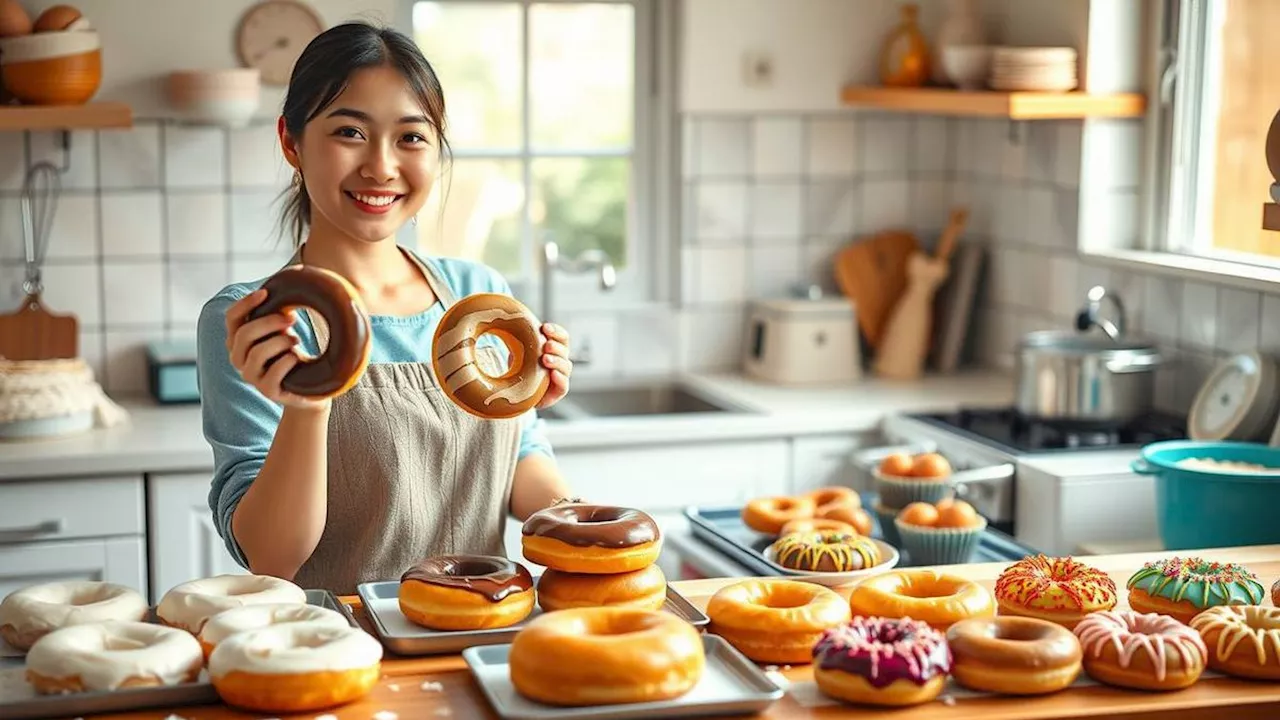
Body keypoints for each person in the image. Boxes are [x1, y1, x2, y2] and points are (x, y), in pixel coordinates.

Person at [195, 22, 577, 595]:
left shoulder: (477, 295)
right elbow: (269, 558)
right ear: (291, 142)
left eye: (411, 137)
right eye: (350, 131)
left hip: (480, 636)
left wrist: (581, 522)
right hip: (333, 650)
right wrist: (307, 403)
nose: (381, 166)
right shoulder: (260, 321)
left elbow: (523, 459)